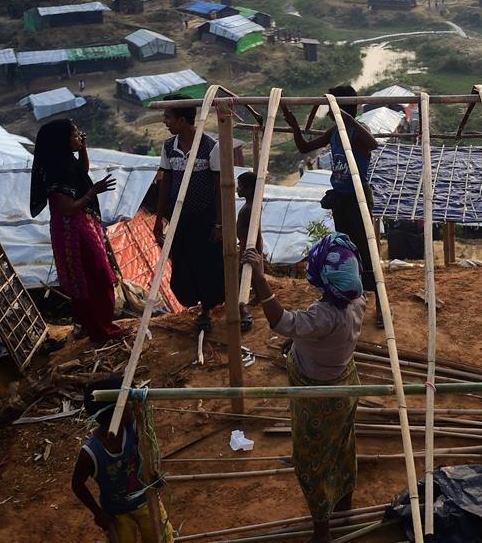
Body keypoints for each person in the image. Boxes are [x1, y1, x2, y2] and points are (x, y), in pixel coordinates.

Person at [241, 233, 364, 543]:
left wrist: (259, 278)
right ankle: (344, 506)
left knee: (313, 462)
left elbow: (282, 321)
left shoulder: (325, 315)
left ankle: (322, 532)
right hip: (344, 386)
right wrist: (297, 340)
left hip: (317, 397)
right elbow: (303, 332)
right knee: (341, 447)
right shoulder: (356, 301)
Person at [281, 84, 381, 327]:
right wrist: (295, 126)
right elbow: (305, 147)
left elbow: (373, 144)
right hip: (341, 199)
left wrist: (349, 120)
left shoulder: (357, 132)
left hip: (357, 198)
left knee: (367, 251)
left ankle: (380, 307)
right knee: (345, 249)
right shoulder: (335, 132)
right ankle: (351, 293)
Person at [153, 95, 246, 332]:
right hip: (181, 217)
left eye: (168, 118)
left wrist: (219, 223)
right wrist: (159, 219)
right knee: (185, 262)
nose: (165, 122)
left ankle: (226, 307)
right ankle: (202, 308)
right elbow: (165, 183)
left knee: (212, 264)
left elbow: (219, 187)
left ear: (182, 120)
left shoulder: (209, 146)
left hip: (205, 217)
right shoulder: (169, 147)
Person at [29, 119, 127, 343]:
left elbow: (80, 173)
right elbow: (67, 208)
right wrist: (93, 191)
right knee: (94, 279)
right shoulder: (56, 170)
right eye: (75, 135)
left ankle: (97, 326)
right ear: (62, 141)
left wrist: (83, 150)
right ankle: (101, 330)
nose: (79, 137)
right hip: (74, 233)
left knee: (94, 278)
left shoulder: (64, 162)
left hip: (81, 228)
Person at [71, 376, 173, 543]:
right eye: (128, 406)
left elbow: (149, 451)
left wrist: (154, 472)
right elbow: (77, 484)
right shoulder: (90, 453)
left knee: (161, 539)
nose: (133, 407)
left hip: (146, 501)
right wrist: (98, 512)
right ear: (113, 416)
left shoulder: (135, 428)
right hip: (117, 514)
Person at [236, 171, 266, 326]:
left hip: (249, 244)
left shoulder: (250, 208)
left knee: (243, 275)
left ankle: (244, 310)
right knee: (253, 273)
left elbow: (257, 230)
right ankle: (258, 295)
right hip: (246, 242)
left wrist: (258, 248)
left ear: (248, 189)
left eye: (240, 186)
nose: (237, 189)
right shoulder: (250, 205)